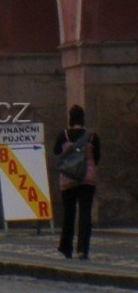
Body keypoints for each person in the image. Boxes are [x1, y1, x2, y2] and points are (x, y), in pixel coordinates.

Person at [54, 105, 100, 261]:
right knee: (85, 213)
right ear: (83, 118)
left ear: (70, 118)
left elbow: (56, 152)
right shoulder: (92, 136)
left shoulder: (63, 135)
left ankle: (66, 247)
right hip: (87, 179)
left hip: (68, 179)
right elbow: (97, 156)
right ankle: (82, 250)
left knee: (69, 213)